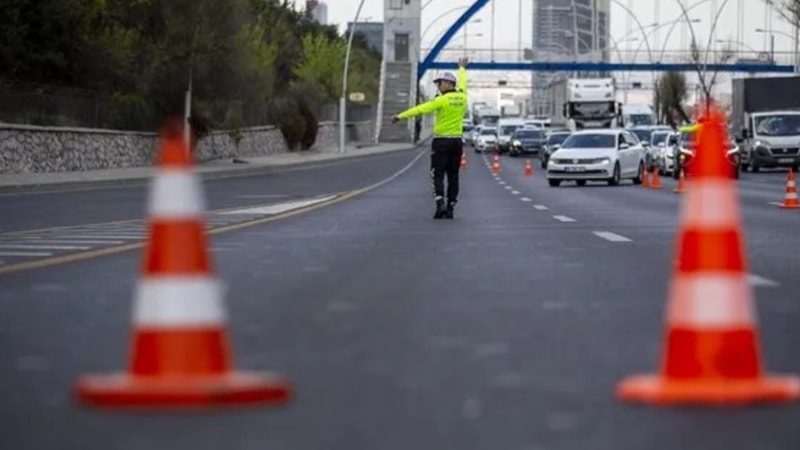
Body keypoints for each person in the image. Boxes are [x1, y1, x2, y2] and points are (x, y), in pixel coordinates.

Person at [392, 57, 469, 219]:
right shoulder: (463, 97)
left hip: (441, 141)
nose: (439, 86)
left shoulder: (440, 100)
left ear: (447, 84)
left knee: (437, 174)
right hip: (457, 142)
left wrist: (400, 116)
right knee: (453, 175)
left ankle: (440, 202)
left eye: (440, 83)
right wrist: (462, 68)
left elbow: (420, 109)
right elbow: (463, 83)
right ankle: (451, 206)